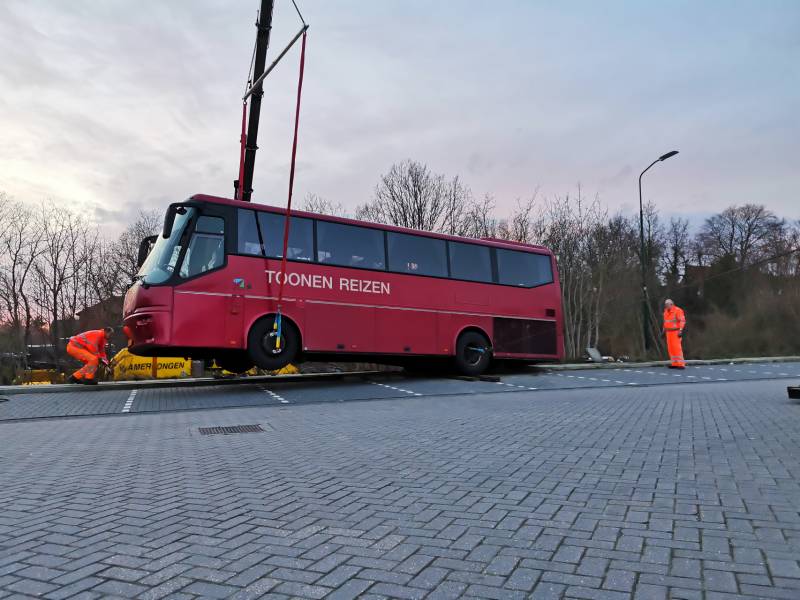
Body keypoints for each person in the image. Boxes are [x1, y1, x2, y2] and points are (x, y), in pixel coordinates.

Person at [662, 299, 686, 369]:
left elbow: (682, 321)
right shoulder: (665, 312)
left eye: (667, 304)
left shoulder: (678, 310)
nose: (666, 306)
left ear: (672, 304)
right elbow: (665, 322)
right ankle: (674, 363)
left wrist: (680, 330)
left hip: (675, 332)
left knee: (677, 348)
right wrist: (663, 331)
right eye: (665, 304)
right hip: (668, 332)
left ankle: (681, 364)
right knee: (671, 349)